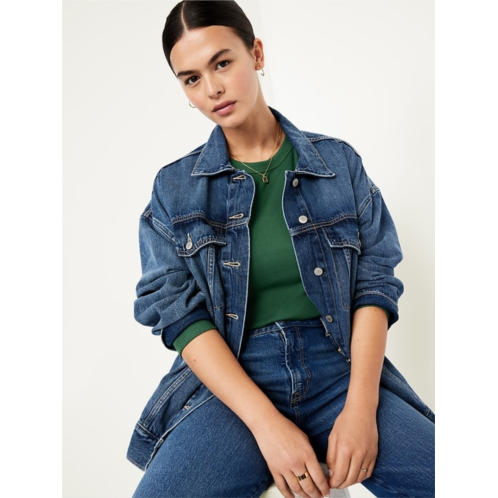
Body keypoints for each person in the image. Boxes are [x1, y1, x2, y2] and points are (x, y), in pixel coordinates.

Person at [126, 1, 435, 497]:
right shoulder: (175, 189)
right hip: (236, 383)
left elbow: (375, 284)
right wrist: (266, 425)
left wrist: (361, 409)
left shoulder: (337, 164)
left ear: (256, 53)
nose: (212, 89)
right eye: (192, 78)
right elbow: (177, 314)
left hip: (340, 370)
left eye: (222, 63)